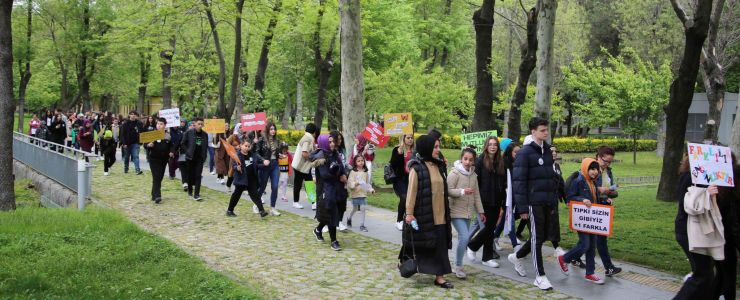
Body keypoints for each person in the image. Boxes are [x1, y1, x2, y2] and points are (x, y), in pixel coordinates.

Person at [674, 153, 739, 300]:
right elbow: (688, 205)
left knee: (706, 275)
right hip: (690, 232)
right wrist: (706, 194)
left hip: (698, 232)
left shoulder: (701, 177)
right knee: (703, 275)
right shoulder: (691, 177)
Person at [508, 117, 559, 291]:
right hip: (532, 203)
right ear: (533, 131)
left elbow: (550, 177)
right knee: (537, 239)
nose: (546, 133)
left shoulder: (547, 152)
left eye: (547, 130)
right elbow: (519, 182)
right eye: (542, 130)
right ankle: (540, 276)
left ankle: (518, 256)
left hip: (546, 201)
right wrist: (522, 208)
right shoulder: (525, 153)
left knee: (542, 236)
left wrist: (553, 200)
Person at [400, 135, 454, 289]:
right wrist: (409, 214)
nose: (438, 150)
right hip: (425, 215)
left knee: (441, 247)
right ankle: (408, 264)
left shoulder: (439, 166)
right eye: (435, 147)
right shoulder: (417, 169)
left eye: (438, 147)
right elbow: (411, 193)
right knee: (423, 245)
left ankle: (440, 277)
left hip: (441, 216)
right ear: (427, 148)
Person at [558, 158, 605, 285]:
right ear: (586, 168)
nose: (595, 172)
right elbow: (570, 197)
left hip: (592, 219)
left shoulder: (592, 182)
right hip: (582, 218)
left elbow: (595, 199)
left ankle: (590, 273)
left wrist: (605, 201)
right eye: (592, 169)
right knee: (585, 245)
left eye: (596, 169)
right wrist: (582, 200)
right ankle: (564, 258)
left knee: (592, 246)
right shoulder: (579, 180)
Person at [447, 147, 487, 279]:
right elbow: (448, 190)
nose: (467, 162)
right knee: (464, 237)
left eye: (470, 160)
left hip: (468, 213)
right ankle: (458, 266)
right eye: (465, 159)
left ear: (474, 161)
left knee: (462, 239)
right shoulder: (454, 173)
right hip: (455, 211)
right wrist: (462, 191)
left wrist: (480, 212)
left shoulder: (474, 175)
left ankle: (456, 264)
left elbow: (477, 196)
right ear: (461, 158)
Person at [467, 137, 506, 268]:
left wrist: (503, 200)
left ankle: (487, 257)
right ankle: (472, 245)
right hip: (484, 200)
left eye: (495, 145)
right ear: (486, 146)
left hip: (497, 199)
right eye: (490, 145)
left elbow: (503, 182)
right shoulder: (480, 161)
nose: (493, 147)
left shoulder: (500, 161)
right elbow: (475, 182)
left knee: (491, 229)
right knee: (488, 227)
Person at [312, 133, 347, 251]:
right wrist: (337, 174)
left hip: (337, 188)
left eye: (333, 141)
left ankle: (318, 229)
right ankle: (334, 241)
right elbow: (325, 175)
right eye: (329, 142)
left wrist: (342, 174)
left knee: (337, 211)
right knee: (332, 212)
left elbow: (341, 167)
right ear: (324, 143)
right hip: (326, 189)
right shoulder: (320, 157)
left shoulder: (335, 154)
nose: (332, 144)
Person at [591, 146, 622, 276]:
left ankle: (572, 258)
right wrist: (599, 190)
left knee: (590, 238)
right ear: (598, 157)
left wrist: (608, 196)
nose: (607, 164)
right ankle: (609, 267)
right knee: (600, 239)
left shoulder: (608, 171)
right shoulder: (591, 169)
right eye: (605, 161)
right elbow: (585, 187)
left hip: (603, 206)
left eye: (610, 161)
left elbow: (610, 189)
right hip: (592, 207)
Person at [226, 139, 269, 218]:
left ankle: (261, 211)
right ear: (241, 145)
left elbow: (256, 166)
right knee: (236, 195)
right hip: (241, 179)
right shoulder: (237, 155)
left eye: (248, 146)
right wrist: (237, 168)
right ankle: (230, 210)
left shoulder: (251, 155)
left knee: (255, 195)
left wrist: (264, 164)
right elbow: (234, 165)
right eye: (245, 146)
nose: (247, 148)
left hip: (251, 179)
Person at [255, 122, 284, 216]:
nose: (273, 131)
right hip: (265, 166)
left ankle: (272, 208)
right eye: (271, 129)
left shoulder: (277, 140)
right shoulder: (261, 140)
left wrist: (280, 155)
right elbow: (256, 153)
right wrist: (263, 160)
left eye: (274, 129)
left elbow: (275, 153)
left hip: (275, 165)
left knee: (275, 186)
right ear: (267, 130)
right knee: (262, 187)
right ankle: (256, 204)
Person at [145, 118, 175, 204]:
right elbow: (145, 144)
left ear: (165, 125)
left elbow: (171, 146)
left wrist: (171, 152)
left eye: (161, 124)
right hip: (154, 159)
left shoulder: (168, 135)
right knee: (157, 176)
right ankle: (158, 195)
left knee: (159, 177)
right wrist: (148, 145)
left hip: (164, 159)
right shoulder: (152, 134)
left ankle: (153, 194)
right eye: (158, 124)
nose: (159, 125)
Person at [181, 118, 210, 201]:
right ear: (195, 124)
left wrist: (204, 156)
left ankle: (196, 194)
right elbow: (183, 144)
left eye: (202, 124)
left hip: (199, 158)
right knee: (190, 175)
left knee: (198, 175)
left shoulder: (205, 134)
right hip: (190, 157)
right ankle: (190, 190)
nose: (200, 125)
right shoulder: (189, 133)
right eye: (199, 124)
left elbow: (205, 146)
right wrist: (188, 152)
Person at [390, 134, 415, 231]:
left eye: (411, 138)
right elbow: (393, 164)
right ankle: (399, 220)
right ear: (403, 139)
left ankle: (408, 219)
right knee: (404, 197)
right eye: (408, 138)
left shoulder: (415, 151)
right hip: (400, 179)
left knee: (411, 199)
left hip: (411, 178)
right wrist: (399, 152)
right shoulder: (397, 149)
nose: (410, 140)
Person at [291, 123, 319, 209]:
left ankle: (313, 203)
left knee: (309, 183)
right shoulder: (308, 139)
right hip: (300, 166)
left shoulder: (307, 138)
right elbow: (304, 153)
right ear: (314, 132)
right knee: (299, 184)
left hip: (304, 166)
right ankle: (296, 202)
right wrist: (313, 157)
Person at [347, 155, 374, 232]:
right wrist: (356, 183)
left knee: (362, 208)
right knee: (355, 208)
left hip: (363, 194)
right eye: (358, 161)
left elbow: (367, 183)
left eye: (362, 160)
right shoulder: (353, 172)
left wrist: (371, 189)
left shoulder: (366, 172)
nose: (361, 162)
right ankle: (349, 218)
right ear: (355, 163)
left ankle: (362, 225)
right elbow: (350, 183)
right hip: (355, 193)